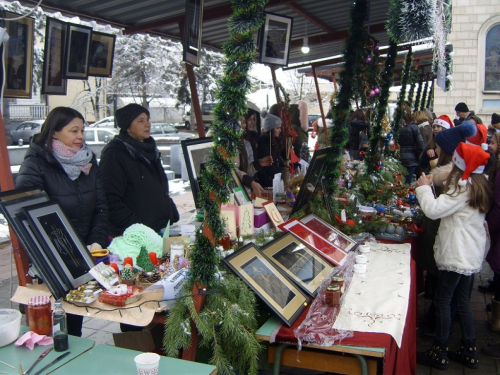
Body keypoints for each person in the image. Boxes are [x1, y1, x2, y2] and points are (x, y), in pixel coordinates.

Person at [15, 106, 108, 337]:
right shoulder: (36, 164)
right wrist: (60, 250)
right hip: (49, 261)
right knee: (48, 329)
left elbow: (101, 207)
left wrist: (94, 242)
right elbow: (27, 216)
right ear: (54, 133)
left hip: (82, 257)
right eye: (73, 131)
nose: (80, 137)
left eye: (82, 130)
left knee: (73, 324)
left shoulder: (87, 162)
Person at [416, 142, 492, 370]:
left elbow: (434, 210)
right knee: (462, 302)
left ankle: (439, 351)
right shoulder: (479, 184)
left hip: (457, 252)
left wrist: (423, 188)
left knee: (442, 301)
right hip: (469, 252)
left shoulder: (462, 188)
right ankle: (469, 350)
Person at [99, 104, 179, 237]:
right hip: (136, 235)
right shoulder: (115, 154)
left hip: (159, 229)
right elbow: (110, 199)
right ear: (128, 127)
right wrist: (137, 227)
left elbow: (158, 188)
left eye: (148, 119)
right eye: (141, 121)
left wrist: (170, 212)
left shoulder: (148, 149)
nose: (147, 124)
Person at [255, 111, 286, 188]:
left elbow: (278, 160)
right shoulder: (264, 142)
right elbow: (269, 167)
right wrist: (283, 170)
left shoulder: (273, 142)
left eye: (280, 128)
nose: (280, 130)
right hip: (267, 183)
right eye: (277, 128)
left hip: (273, 179)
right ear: (270, 129)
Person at [398, 104, 425, 184]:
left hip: (398, 158)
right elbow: (421, 145)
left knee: (398, 183)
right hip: (411, 159)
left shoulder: (395, 127)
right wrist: (417, 155)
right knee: (408, 183)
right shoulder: (414, 127)